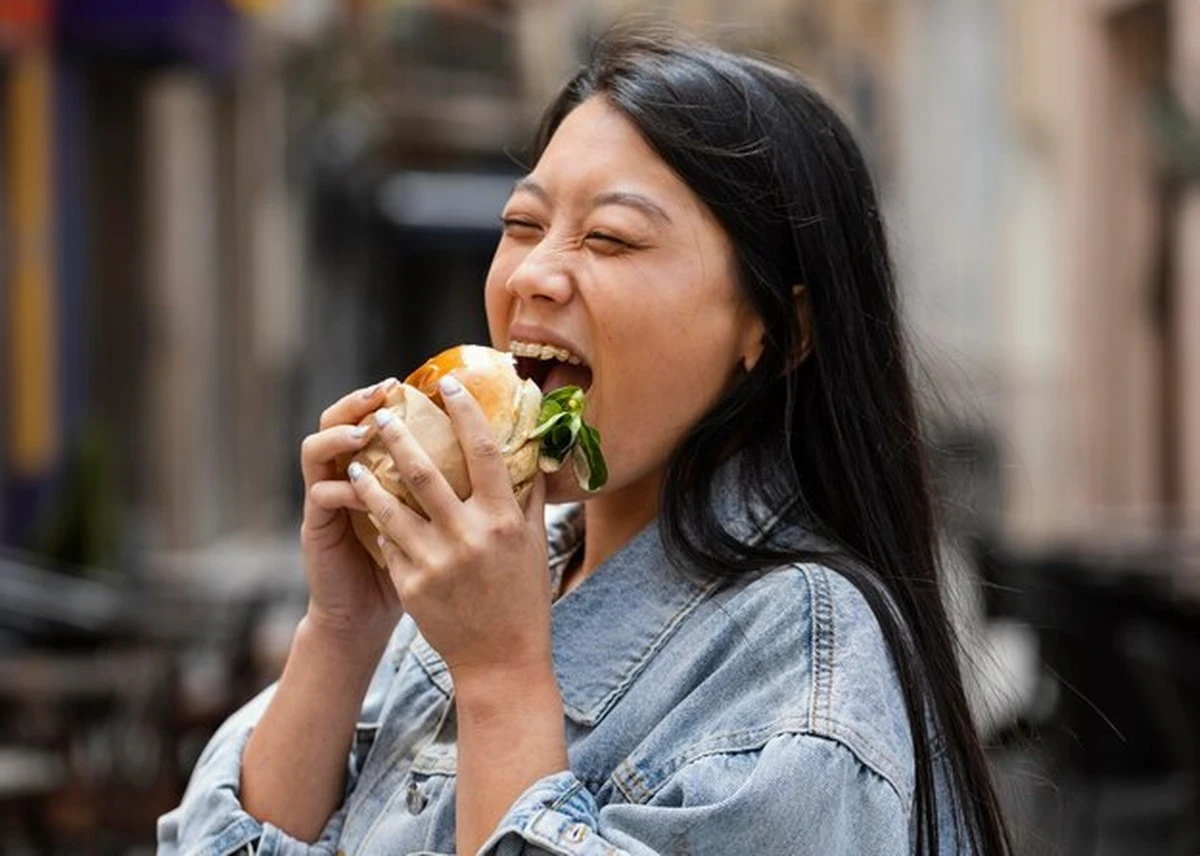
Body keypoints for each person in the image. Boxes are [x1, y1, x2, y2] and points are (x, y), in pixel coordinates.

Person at [159, 30, 1011, 856]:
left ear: (778, 330)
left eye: (610, 238)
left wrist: (500, 678)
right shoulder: (497, 579)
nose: (533, 273)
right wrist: (344, 628)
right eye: (524, 225)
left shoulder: (802, 666)